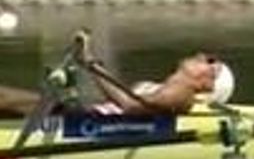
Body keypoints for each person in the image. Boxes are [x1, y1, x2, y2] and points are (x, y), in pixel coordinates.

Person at [0, 51, 236, 116]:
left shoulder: (180, 95)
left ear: (207, 84)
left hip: (82, 120)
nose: (202, 55)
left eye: (210, 62)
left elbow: (130, 106)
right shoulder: (170, 89)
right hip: (84, 112)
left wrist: (92, 65)